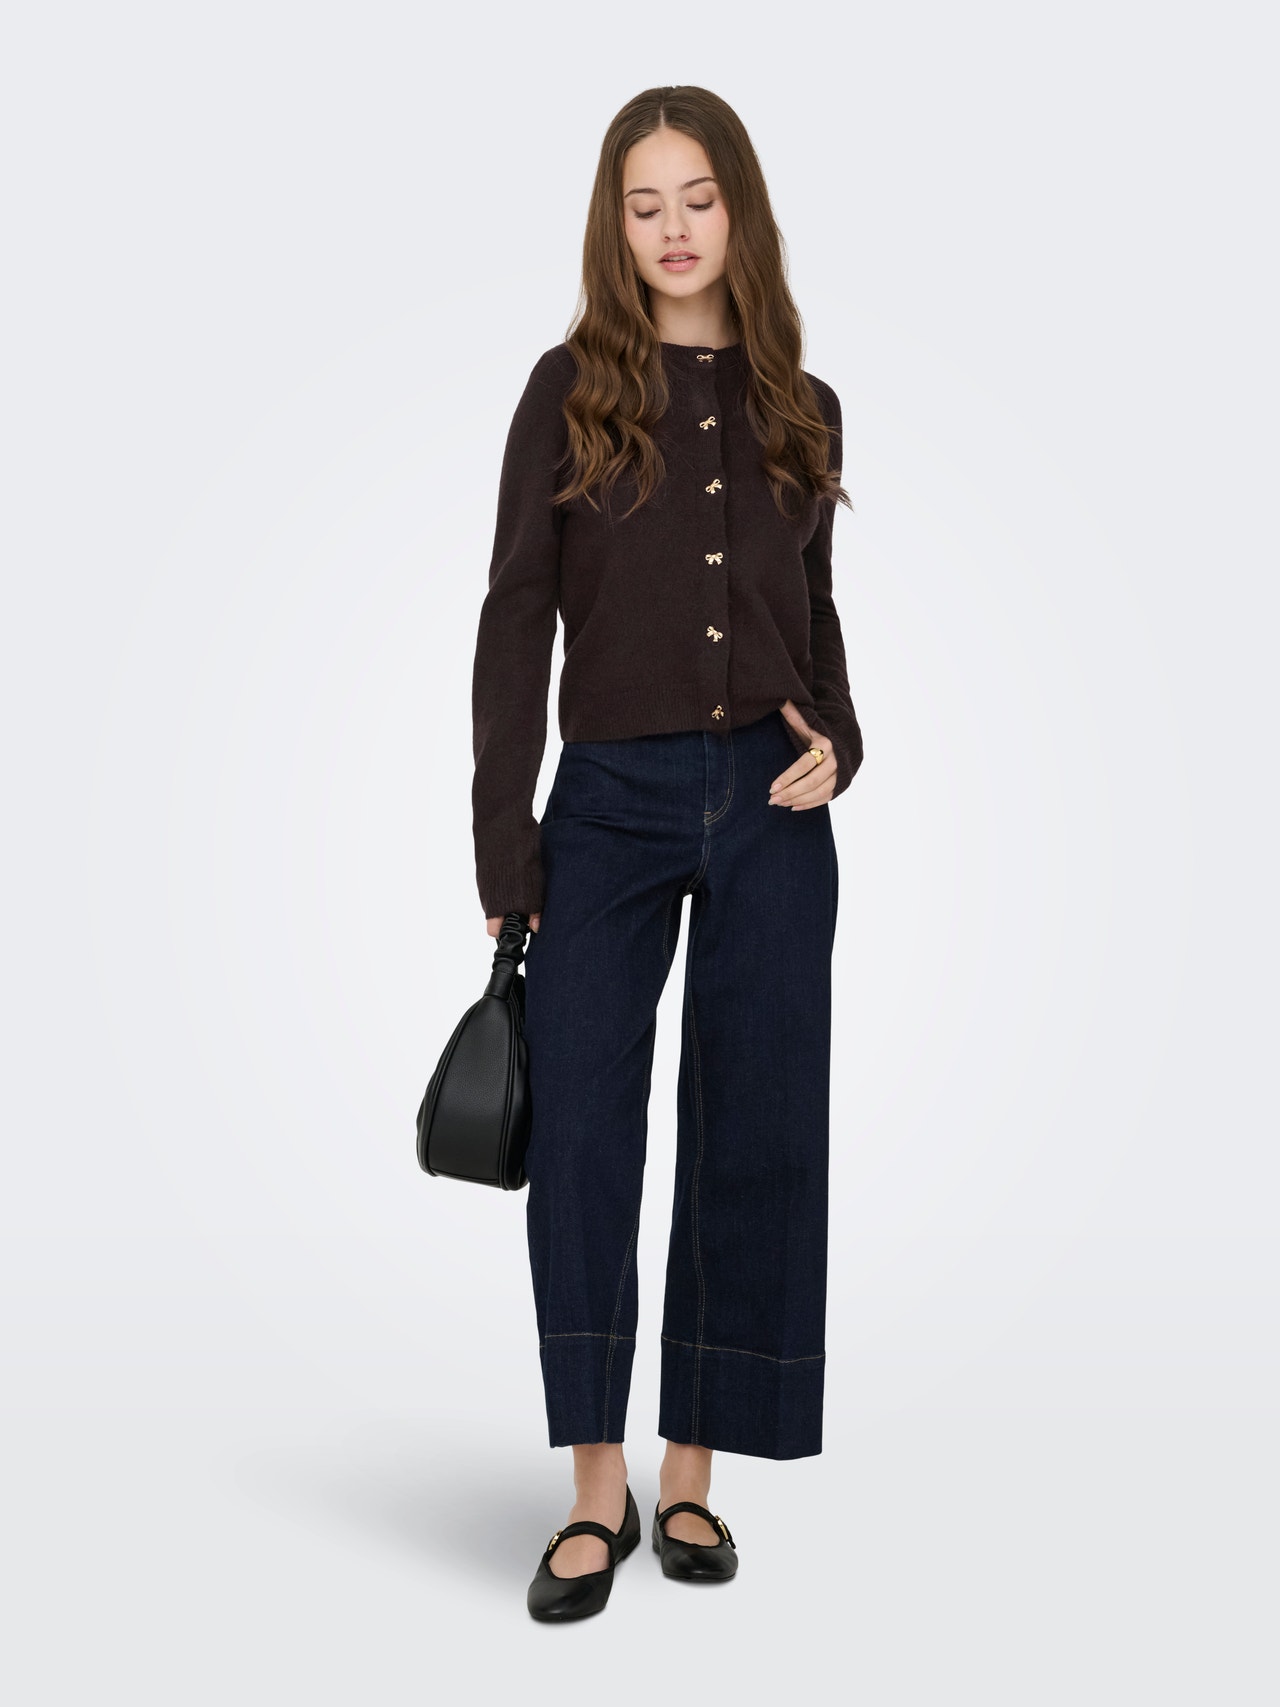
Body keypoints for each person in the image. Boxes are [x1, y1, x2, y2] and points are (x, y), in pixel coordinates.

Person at [468, 84, 865, 1621]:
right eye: (646, 204)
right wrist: (506, 844)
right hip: (607, 806)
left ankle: (692, 1472)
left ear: (739, 210)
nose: (675, 228)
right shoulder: (568, 390)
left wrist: (842, 740)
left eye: (699, 198)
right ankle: (595, 1486)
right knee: (581, 1132)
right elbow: (515, 618)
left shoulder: (802, 403)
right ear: (613, 224)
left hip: (774, 802)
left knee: (753, 1125)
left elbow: (817, 611)